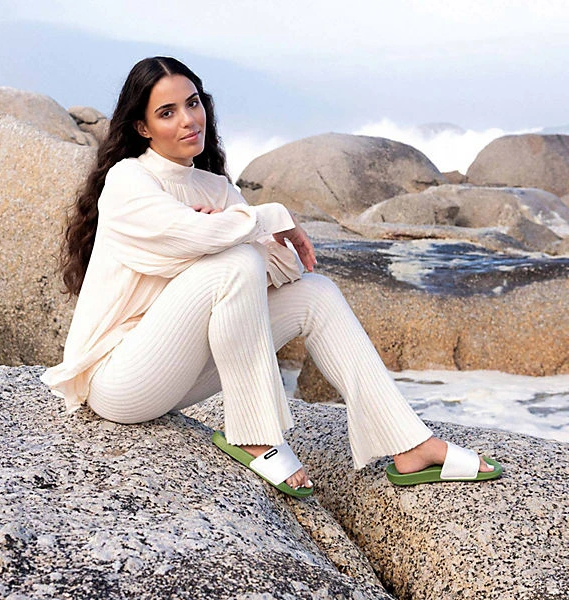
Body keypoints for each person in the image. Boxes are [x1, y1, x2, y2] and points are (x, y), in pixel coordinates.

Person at [42, 56, 501, 497]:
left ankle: (408, 443)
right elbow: (194, 237)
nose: (188, 120)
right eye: (167, 112)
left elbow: (283, 268)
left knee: (315, 293)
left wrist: (233, 228)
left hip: (176, 377)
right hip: (119, 382)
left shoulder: (215, 188)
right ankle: (254, 437)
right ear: (143, 127)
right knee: (235, 261)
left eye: (193, 103)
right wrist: (263, 218)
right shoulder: (129, 179)